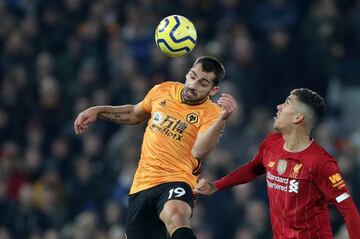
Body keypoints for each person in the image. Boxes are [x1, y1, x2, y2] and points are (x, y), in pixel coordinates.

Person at [74, 56, 237, 239]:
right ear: (187, 73)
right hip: (142, 184)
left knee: (176, 217)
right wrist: (98, 111)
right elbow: (134, 113)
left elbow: (199, 150)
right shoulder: (163, 90)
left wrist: (222, 119)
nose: (193, 85)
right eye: (192, 76)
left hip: (177, 179)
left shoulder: (213, 113)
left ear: (213, 90)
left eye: (202, 83)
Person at [195, 88, 360, 238]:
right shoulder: (271, 143)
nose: (279, 106)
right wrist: (217, 185)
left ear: (298, 117)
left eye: (287, 103)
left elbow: (348, 209)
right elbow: (253, 168)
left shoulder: (321, 162)